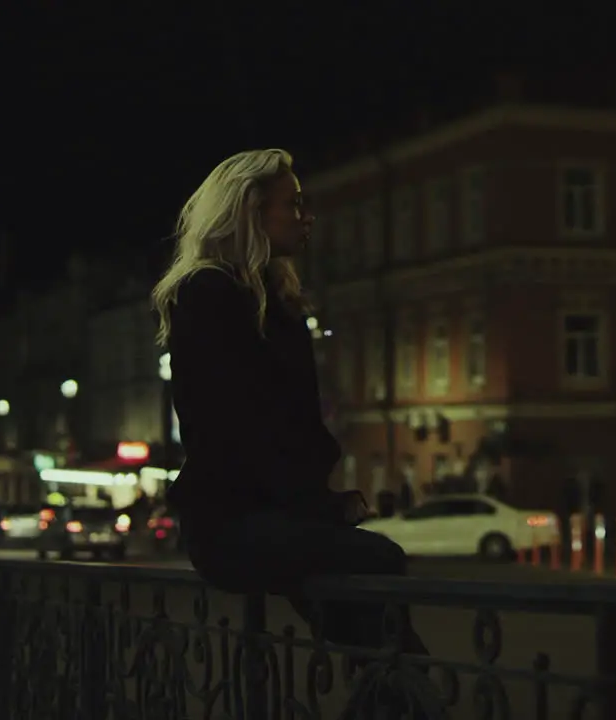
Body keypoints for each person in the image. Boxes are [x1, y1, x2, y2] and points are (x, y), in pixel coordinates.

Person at [150, 148, 426, 655]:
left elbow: (291, 423)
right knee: (380, 565)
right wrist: (315, 506)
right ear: (250, 212)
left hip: (278, 516)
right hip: (232, 524)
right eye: (292, 205)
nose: (307, 217)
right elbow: (235, 427)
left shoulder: (275, 299)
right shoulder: (208, 293)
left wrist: (319, 503)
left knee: (382, 644)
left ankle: (395, 690)